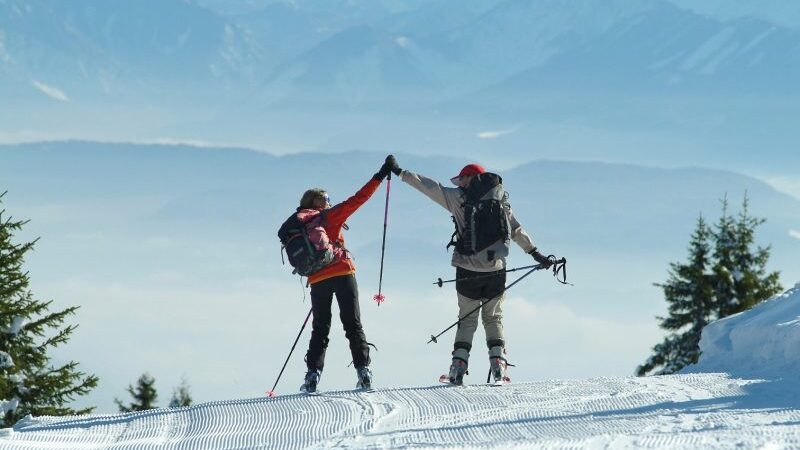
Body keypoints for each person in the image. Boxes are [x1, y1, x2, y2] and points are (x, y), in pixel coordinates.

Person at [385, 156, 553, 384]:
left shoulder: (456, 198)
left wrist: (399, 171)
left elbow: (428, 186)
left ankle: (458, 368)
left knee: (467, 319)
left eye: (461, 179)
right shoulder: (501, 201)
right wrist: (535, 254)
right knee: (493, 318)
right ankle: (498, 365)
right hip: (497, 269)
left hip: (467, 270)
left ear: (468, 179)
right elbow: (515, 229)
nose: (459, 184)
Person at [297, 157, 395, 393]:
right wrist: (381, 175)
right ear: (317, 202)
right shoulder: (330, 217)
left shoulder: (299, 222)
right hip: (342, 271)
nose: (329, 202)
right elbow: (359, 198)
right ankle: (364, 372)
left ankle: (312, 375)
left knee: (320, 327)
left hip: (318, 278)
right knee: (353, 324)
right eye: (326, 199)